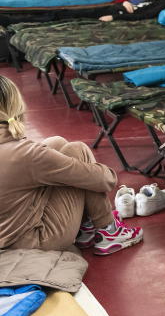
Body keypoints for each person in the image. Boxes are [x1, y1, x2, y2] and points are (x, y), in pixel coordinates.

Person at [0, 75, 142, 254]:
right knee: (78, 151)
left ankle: (87, 228)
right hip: (34, 241)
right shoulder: (27, 154)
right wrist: (107, 172)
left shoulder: (23, 152)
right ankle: (109, 230)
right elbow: (105, 180)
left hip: (5, 234)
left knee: (56, 143)